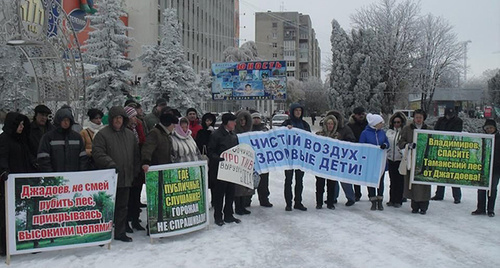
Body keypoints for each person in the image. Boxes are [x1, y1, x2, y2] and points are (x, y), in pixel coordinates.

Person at [92, 106, 141, 242]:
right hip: (109, 177)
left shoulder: (130, 135)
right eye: (116, 118)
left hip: (126, 177)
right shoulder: (102, 134)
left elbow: (136, 154)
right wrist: (110, 164)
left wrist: (135, 169)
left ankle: (120, 232)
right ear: (111, 119)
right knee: (105, 207)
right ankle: (100, 234)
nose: (118, 120)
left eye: (120, 118)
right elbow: (98, 153)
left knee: (122, 207)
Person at [0, 112, 36, 256]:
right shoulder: (4, 139)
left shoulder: (21, 140)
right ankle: (4, 245)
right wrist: (4, 171)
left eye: (23, 124)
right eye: (19, 124)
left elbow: (27, 156)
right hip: (7, 183)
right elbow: (2, 156)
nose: (21, 127)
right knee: (5, 215)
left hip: (21, 182)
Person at [208, 113, 240, 226]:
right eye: (233, 121)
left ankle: (229, 214)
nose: (235, 124)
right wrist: (221, 159)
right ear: (227, 122)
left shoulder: (233, 135)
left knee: (231, 193)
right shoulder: (216, 135)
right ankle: (218, 216)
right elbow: (210, 152)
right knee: (219, 195)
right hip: (219, 170)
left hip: (231, 169)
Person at [398, 109, 431, 214]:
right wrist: (408, 145)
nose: (418, 119)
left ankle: (424, 206)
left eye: (420, 117)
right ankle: (415, 206)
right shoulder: (407, 129)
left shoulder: (429, 129)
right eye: (416, 117)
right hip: (411, 160)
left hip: (424, 160)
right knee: (412, 183)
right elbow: (401, 142)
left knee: (423, 183)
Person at [37, 107, 87, 172]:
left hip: (74, 177)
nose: (66, 123)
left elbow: (83, 158)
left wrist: (80, 173)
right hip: (55, 178)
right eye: (63, 120)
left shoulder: (77, 137)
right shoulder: (48, 137)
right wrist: (51, 175)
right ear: (58, 121)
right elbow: (43, 158)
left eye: (68, 120)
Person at [282, 103, 311, 211]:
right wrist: (286, 129)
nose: (298, 112)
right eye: (296, 110)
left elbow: (309, 139)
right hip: (289, 157)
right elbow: (280, 136)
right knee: (288, 180)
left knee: (299, 180)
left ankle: (298, 202)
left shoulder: (305, 124)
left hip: (300, 157)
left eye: (300, 110)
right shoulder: (287, 123)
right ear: (292, 112)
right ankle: (288, 203)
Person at [431, 107, 463, 203]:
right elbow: (436, 131)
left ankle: (457, 196)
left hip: (453, 148)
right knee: (441, 171)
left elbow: (456, 132)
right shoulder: (441, 120)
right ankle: (439, 194)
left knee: (453, 172)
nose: (449, 115)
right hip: (441, 147)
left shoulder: (458, 121)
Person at [326, 110, 356, 206]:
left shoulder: (345, 129)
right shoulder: (326, 130)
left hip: (343, 158)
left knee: (345, 179)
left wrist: (342, 143)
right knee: (332, 179)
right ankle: (333, 197)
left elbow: (352, 140)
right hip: (330, 159)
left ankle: (351, 197)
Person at [359, 113, 389, 211]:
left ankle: (380, 200)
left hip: (380, 161)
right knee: (371, 181)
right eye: (380, 123)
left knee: (380, 181)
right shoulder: (365, 133)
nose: (382, 124)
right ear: (375, 123)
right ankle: (373, 200)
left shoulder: (382, 133)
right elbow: (361, 146)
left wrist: (385, 145)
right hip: (370, 161)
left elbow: (387, 142)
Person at [123, 106, 146, 232]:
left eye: (136, 116)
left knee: (136, 197)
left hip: (137, 166)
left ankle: (136, 220)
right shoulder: (124, 131)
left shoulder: (137, 129)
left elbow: (142, 143)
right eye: (133, 116)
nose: (135, 119)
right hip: (127, 168)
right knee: (127, 199)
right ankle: (125, 222)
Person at [472, 119, 500, 217]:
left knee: (492, 189)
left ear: (495, 128)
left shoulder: (498, 138)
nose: (489, 130)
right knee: (481, 188)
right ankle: (480, 208)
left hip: (495, 169)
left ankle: (490, 209)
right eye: (487, 128)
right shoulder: (482, 138)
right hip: (483, 168)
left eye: (491, 128)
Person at [141, 108, 179, 172]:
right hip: (156, 169)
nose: (174, 127)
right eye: (173, 124)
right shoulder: (155, 133)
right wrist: (146, 162)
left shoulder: (166, 134)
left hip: (165, 168)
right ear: (168, 124)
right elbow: (147, 148)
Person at [315, 115, 338, 210]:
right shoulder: (318, 134)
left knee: (331, 184)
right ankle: (319, 203)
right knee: (320, 184)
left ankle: (330, 202)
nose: (330, 125)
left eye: (332, 124)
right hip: (320, 163)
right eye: (328, 123)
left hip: (331, 164)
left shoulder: (337, 135)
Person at [233, 110, 254, 215]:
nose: (243, 122)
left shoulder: (250, 133)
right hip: (237, 162)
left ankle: (243, 205)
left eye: (244, 120)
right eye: (240, 120)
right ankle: (238, 206)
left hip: (247, 161)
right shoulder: (234, 133)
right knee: (238, 186)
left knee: (245, 185)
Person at [251, 112, 273, 207]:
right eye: (254, 118)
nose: (256, 119)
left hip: (263, 161)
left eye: (257, 118)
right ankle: (247, 199)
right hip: (251, 160)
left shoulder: (265, 130)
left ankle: (264, 199)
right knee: (249, 180)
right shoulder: (248, 130)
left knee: (264, 182)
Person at [386, 112, 407, 208]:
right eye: (395, 122)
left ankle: (398, 199)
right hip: (391, 158)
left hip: (400, 159)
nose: (396, 124)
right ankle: (392, 199)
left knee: (400, 181)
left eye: (398, 122)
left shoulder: (404, 132)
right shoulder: (389, 132)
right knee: (392, 180)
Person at [347, 106, 368, 201]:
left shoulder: (368, 124)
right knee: (355, 173)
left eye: (363, 114)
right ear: (355, 115)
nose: (361, 116)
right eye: (359, 114)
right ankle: (357, 193)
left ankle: (371, 193)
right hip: (355, 152)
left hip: (367, 151)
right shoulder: (350, 125)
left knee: (368, 172)